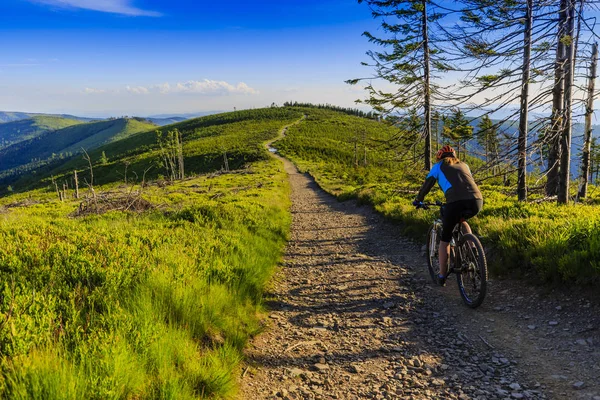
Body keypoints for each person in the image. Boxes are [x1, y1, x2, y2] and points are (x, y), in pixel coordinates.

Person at [413, 145, 483, 286]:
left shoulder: (438, 166)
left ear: (440, 157)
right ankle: (473, 252)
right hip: (477, 201)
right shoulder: (464, 165)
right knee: (462, 220)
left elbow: (427, 185)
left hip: (455, 202)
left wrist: (418, 200)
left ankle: (442, 275)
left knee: (445, 239)